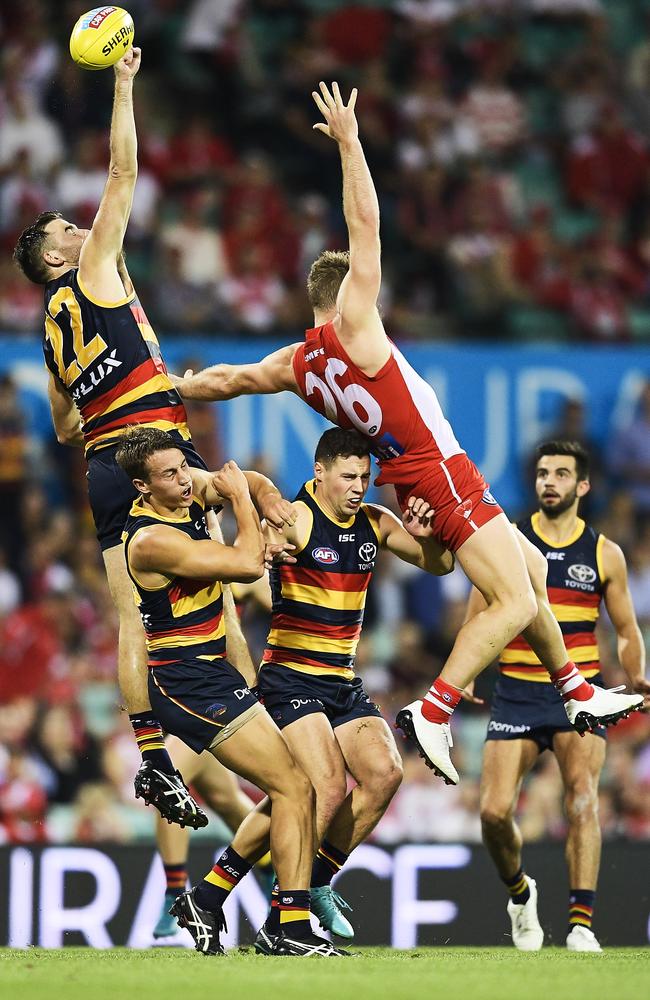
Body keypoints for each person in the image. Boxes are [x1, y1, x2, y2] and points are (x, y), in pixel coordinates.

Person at [172, 81, 644, 783]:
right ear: (346, 295)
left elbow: (225, 380)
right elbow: (366, 225)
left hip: (418, 473)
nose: (379, 297)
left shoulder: (295, 364)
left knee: (534, 573)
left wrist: (165, 387)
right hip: (440, 467)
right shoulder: (356, 324)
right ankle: (437, 709)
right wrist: (350, 142)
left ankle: (575, 692)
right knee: (514, 600)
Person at [11, 48, 292, 826]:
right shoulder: (91, 271)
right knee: (234, 578)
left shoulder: (49, 332)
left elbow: (67, 424)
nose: (83, 226)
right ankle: (268, 719)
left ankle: (155, 757)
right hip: (159, 446)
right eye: (70, 228)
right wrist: (127, 84)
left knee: (135, 616)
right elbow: (124, 178)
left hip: (104, 463)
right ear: (60, 256)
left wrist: (107, 419)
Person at [169, 426, 454, 950]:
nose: (359, 487)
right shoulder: (297, 517)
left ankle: (291, 882)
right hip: (289, 678)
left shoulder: (375, 524)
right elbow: (266, 540)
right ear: (319, 473)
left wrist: (428, 535)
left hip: (341, 681)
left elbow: (441, 564)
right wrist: (268, 542)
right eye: (348, 476)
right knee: (319, 786)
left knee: (384, 772)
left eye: (365, 478)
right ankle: (285, 916)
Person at [116, 425, 340, 958]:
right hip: (186, 681)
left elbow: (252, 479)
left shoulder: (183, 497)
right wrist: (241, 498)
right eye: (170, 475)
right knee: (293, 786)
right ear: (143, 489)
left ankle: (214, 900)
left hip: (212, 672)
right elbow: (243, 565)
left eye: (183, 467)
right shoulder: (150, 541)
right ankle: (285, 926)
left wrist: (266, 499)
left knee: (293, 786)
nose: (184, 479)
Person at [466, 441, 649, 953]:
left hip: (579, 698)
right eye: (544, 472)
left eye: (562, 474)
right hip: (517, 695)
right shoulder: (509, 542)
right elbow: (479, 607)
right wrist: (464, 675)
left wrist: (635, 673)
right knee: (494, 814)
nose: (550, 481)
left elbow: (628, 629)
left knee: (583, 799)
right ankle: (521, 895)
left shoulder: (603, 553)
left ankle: (580, 925)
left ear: (582, 486)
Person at [152, 576, 275, 941]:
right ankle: (268, 865)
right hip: (180, 687)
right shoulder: (175, 557)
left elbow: (294, 608)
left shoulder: (244, 570)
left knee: (168, 778)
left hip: (218, 696)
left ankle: (175, 889)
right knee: (225, 799)